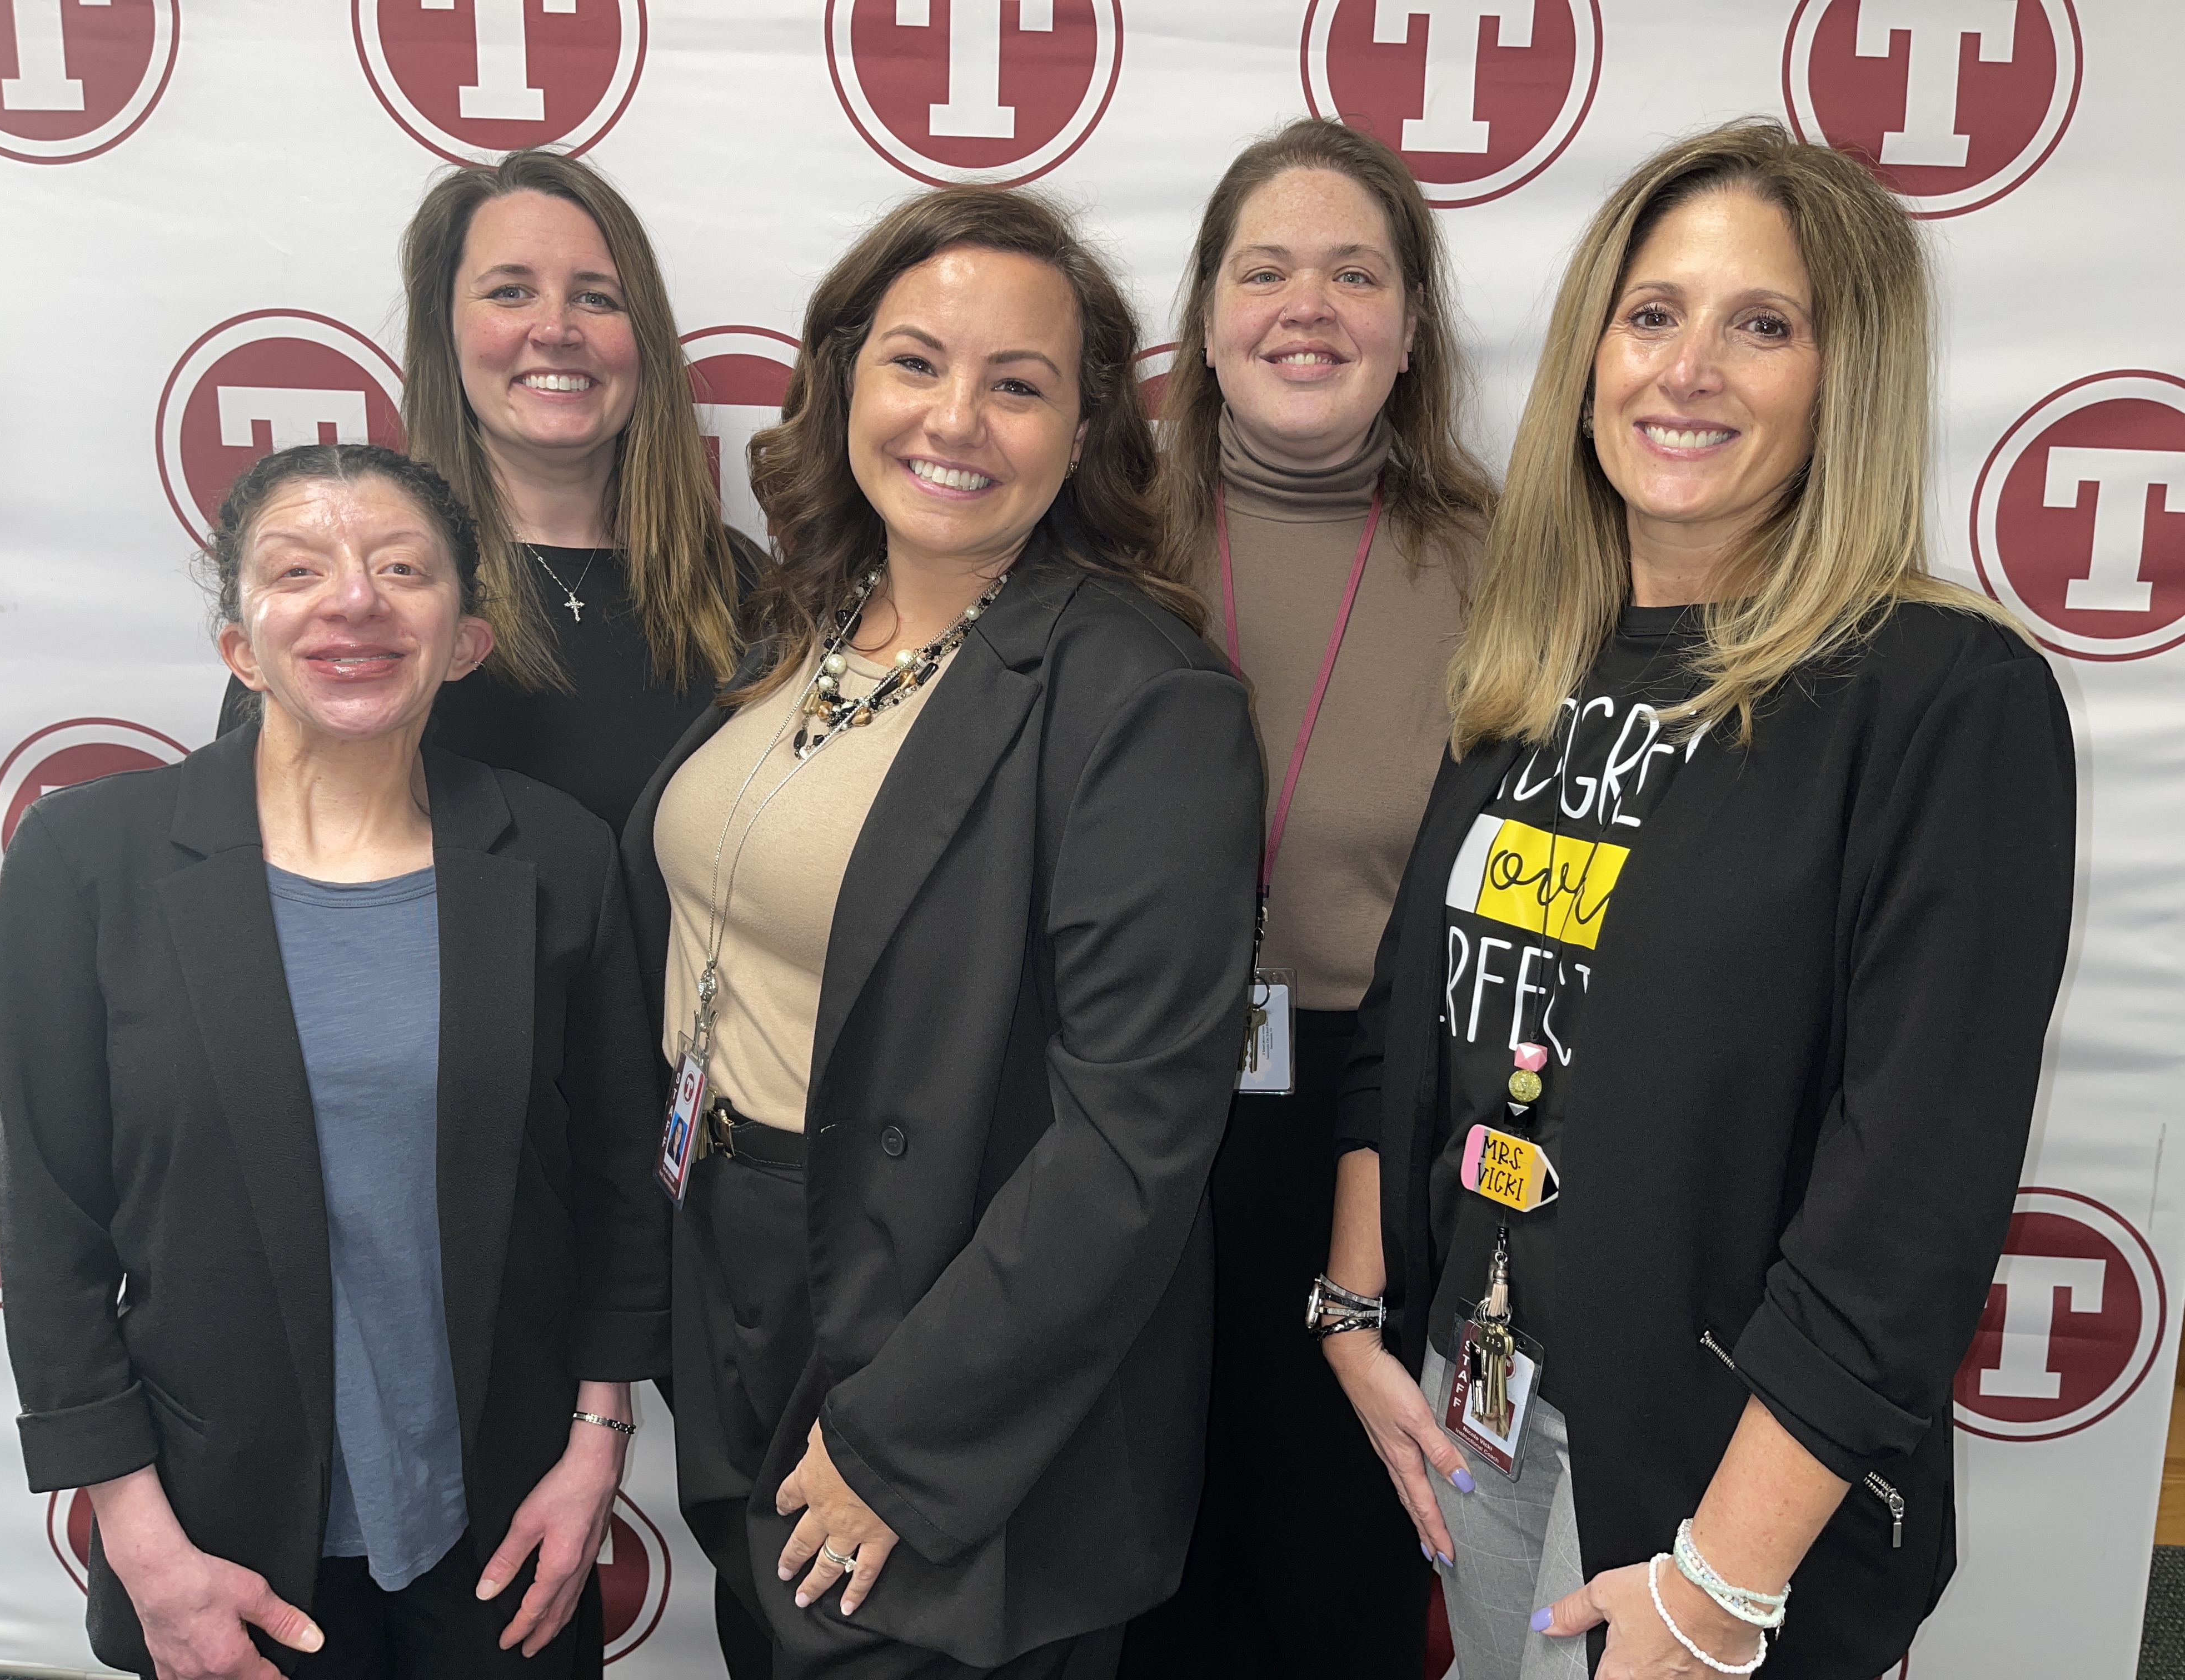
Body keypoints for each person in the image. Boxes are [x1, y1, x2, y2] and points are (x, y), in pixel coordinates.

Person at [1316, 120, 2075, 1680]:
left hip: (1719, 1490)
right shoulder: (1538, 666)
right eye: (1653, 314)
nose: (1689, 370)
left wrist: (1721, 1584)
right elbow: (1414, 1014)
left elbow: (1911, 1198)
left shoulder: (1942, 696)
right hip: (1485, 1411)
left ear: (1845, 375)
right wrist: (1357, 1313)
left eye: (1764, 325)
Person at [619, 186, 1263, 1679]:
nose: (955, 419)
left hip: (941, 1338)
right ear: (845, 376)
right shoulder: (803, 622)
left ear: (1090, 427)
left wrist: (904, 1447)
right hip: (741, 1272)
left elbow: (1132, 1146)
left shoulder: (1142, 701)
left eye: (1019, 383)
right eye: (917, 363)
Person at [0, 444, 669, 1680]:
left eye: (402, 569)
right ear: (240, 645)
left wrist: (595, 1449)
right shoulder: (88, 864)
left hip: (504, 1534)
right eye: (298, 569)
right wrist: (141, 1542)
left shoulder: (560, 858)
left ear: (463, 638)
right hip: (216, 1543)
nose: (354, 599)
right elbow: (51, 1241)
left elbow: (623, 1188)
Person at [1118, 117, 1492, 1680]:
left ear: (1411, 329)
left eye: (1357, 273)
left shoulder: (1513, 563)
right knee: (1137, 1564)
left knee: (1335, 1574)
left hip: (1371, 1123)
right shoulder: (1095, 539)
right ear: (1204, 315)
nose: (1308, 307)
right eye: (1264, 270)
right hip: (1121, 1102)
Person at [223, 148, 763, 835]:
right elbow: (255, 859)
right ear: (444, 333)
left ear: (644, 339)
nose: (557, 329)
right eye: (510, 292)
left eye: (597, 297)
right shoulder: (351, 599)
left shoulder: (739, 584)